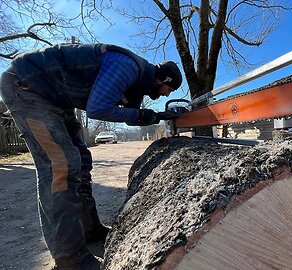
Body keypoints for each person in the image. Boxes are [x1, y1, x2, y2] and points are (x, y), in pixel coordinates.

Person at [0, 43, 183, 269]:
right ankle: (69, 259)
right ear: (162, 80)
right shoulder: (128, 67)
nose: (167, 94)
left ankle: (89, 230)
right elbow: (98, 109)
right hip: (26, 87)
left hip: (55, 97)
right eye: (170, 90)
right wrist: (144, 113)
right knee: (61, 165)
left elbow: (130, 115)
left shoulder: (139, 83)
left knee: (81, 159)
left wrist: (155, 116)